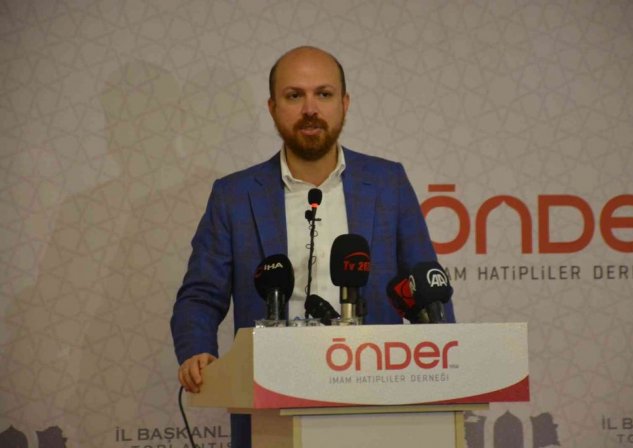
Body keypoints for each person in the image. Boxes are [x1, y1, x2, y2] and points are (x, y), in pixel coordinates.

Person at [171, 46, 456, 448]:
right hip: (271, 404)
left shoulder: (388, 182)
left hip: (379, 400)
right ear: (272, 107)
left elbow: (427, 286)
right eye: (294, 96)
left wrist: (448, 370)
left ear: (345, 103)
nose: (310, 109)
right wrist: (196, 351)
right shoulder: (234, 195)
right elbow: (200, 295)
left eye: (323, 94)